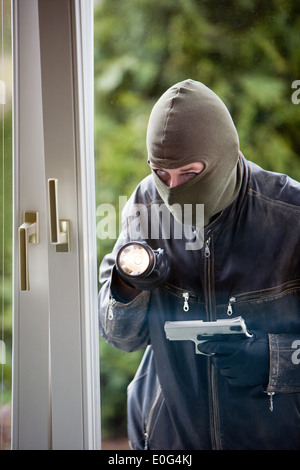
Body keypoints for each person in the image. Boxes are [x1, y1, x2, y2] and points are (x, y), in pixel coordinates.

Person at [98, 79, 300, 450]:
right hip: (168, 440)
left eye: (189, 174)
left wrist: (275, 359)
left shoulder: (291, 217)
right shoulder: (146, 204)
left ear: (224, 155)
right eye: (161, 173)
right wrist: (129, 287)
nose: (173, 191)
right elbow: (118, 337)